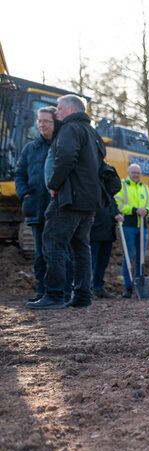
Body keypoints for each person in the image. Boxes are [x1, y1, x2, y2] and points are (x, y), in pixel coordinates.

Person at [28, 95, 102, 310]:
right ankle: (82, 296)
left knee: (53, 242)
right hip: (89, 201)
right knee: (81, 248)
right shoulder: (92, 132)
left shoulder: (70, 129)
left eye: (59, 109)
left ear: (70, 109)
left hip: (69, 198)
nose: (56, 113)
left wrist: (54, 184)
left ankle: (54, 294)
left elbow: (66, 158)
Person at [13, 106, 65, 303]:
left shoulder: (61, 146)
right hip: (36, 207)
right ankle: (42, 292)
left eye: (47, 121)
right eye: (40, 121)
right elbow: (19, 173)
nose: (42, 124)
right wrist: (24, 194)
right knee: (40, 255)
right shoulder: (30, 149)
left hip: (58, 208)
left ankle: (61, 292)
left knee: (59, 253)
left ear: (55, 123)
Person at [114, 163, 149, 298]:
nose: (136, 175)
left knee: (141, 257)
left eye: (138, 172)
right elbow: (118, 204)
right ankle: (128, 287)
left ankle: (140, 284)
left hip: (143, 227)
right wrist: (134, 210)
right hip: (128, 226)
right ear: (129, 173)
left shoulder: (144, 188)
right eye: (133, 172)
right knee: (128, 256)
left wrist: (147, 210)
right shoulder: (123, 186)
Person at [90, 195, 122, 299]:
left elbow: (114, 210)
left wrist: (117, 215)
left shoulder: (110, 197)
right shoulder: (95, 193)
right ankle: (87, 289)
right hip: (94, 233)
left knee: (102, 263)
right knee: (90, 262)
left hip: (108, 234)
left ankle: (98, 287)